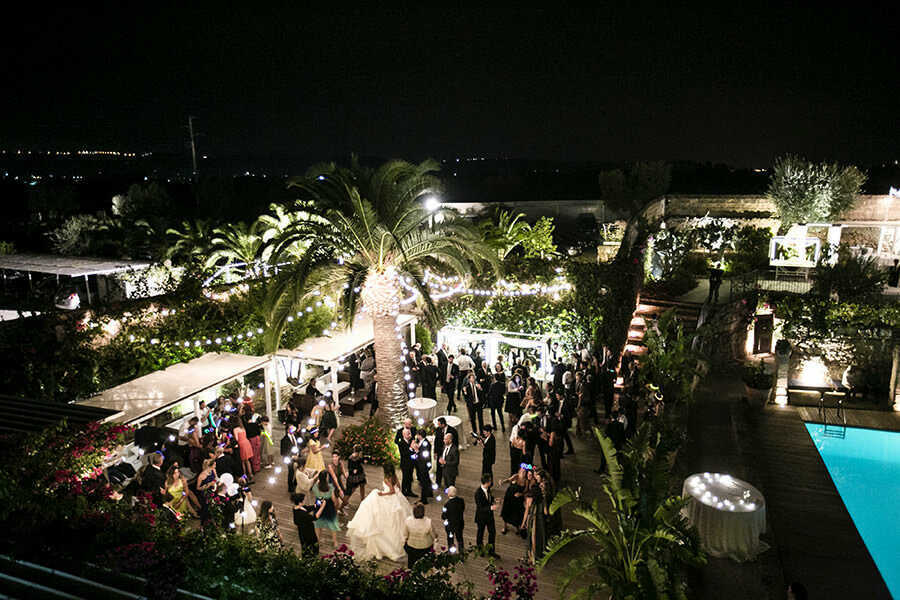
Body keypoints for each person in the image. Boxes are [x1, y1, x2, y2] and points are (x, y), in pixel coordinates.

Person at [346, 464, 414, 561]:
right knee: (396, 522)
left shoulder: (387, 479)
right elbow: (398, 487)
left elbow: (392, 491)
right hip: (398, 499)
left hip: (390, 498)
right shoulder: (394, 477)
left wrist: (382, 494)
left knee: (375, 501)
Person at [521, 474, 546, 564]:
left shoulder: (529, 499)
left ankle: (532, 558)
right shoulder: (539, 500)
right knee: (537, 537)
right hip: (539, 519)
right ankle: (534, 556)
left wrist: (523, 523)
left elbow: (526, 512)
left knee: (532, 538)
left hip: (533, 519)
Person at [402, 502, 436, 567]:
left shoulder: (408, 520)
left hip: (411, 546)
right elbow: (434, 536)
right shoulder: (428, 522)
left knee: (411, 563)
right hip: (425, 547)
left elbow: (405, 535)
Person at [313, 471, 340, 547]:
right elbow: (334, 500)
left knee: (318, 525)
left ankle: (317, 541)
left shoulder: (315, 486)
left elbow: (317, 496)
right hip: (329, 507)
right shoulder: (330, 487)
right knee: (333, 525)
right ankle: (335, 542)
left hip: (319, 505)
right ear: (326, 478)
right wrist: (336, 507)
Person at [474, 473, 499, 557]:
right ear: (487, 482)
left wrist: (493, 499)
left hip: (490, 517)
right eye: (490, 481)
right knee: (480, 533)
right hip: (481, 517)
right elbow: (480, 508)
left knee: (492, 533)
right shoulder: (478, 493)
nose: (491, 482)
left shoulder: (488, 489)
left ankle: (491, 551)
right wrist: (491, 508)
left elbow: (489, 497)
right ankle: (480, 550)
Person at [500, 467, 528, 536]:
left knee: (516, 513)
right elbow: (508, 480)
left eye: (524, 472)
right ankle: (505, 526)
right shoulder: (516, 476)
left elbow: (526, 491)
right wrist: (502, 482)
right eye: (522, 471)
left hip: (518, 499)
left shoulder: (526, 481)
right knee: (506, 511)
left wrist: (520, 494)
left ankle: (516, 527)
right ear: (519, 471)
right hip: (509, 496)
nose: (523, 473)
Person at [292, 493, 319, 557]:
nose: (305, 500)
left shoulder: (298, 507)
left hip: (305, 530)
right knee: (310, 545)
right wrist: (322, 507)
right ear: (300, 502)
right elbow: (314, 518)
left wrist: (319, 501)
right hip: (307, 532)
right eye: (304, 499)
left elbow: (310, 507)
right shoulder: (301, 514)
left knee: (306, 546)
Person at [412, 429, 433, 504]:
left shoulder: (426, 444)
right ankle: (430, 492)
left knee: (424, 482)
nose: (417, 436)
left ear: (420, 436)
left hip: (424, 465)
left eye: (418, 435)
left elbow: (424, 456)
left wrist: (417, 451)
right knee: (427, 479)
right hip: (421, 464)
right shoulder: (421, 441)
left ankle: (424, 499)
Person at [443, 485, 465, 551]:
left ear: (449, 494)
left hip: (450, 525)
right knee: (460, 538)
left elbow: (444, 515)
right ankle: (461, 552)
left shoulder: (447, 504)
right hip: (459, 523)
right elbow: (463, 509)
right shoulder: (461, 500)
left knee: (450, 539)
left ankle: (451, 552)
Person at [462, 371, 484, 435]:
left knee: (480, 418)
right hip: (472, 405)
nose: (473, 379)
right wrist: (465, 392)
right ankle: (475, 431)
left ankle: (482, 431)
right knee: (473, 419)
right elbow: (466, 397)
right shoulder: (467, 387)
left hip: (478, 404)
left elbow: (482, 394)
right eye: (472, 378)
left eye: (474, 378)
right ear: (469, 379)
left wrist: (480, 389)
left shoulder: (477, 385)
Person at [396, 426, 416, 497]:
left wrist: (415, 450)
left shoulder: (411, 441)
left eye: (410, 433)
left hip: (411, 463)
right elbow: (404, 454)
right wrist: (411, 448)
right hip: (405, 463)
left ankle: (409, 491)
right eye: (408, 434)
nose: (410, 435)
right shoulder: (401, 443)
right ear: (404, 434)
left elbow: (414, 451)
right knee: (405, 478)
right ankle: (404, 492)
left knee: (410, 478)